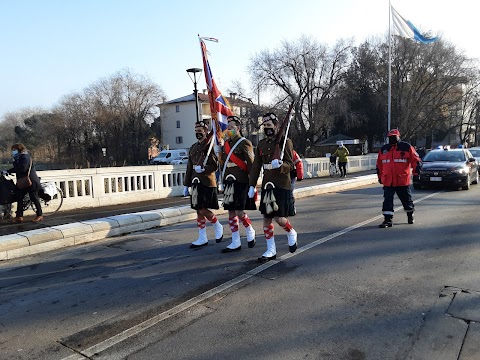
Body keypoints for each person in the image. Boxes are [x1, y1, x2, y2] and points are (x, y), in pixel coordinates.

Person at [248, 112, 298, 263]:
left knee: (280, 219)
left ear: (276, 126)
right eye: (265, 126)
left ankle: (291, 232)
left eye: (269, 125)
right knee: (266, 218)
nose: (267, 129)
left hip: (281, 184)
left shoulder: (285, 142)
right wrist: (252, 185)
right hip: (268, 185)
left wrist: (281, 165)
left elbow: (290, 164)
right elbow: (256, 166)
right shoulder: (262, 144)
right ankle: (271, 250)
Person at [216, 116, 256, 253]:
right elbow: (222, 164)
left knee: (239, 211)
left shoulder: (244, 143)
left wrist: (253, 185)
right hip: (229, 180)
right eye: (228, 128)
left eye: (232, 128)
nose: (229, 130)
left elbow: (252, 165)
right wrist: (219, 151)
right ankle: (235, 241)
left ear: (238, 128)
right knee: (231, 212)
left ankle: (249, 229)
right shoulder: (226, 144)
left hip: (241, 180)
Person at [184, 121, 224, 248]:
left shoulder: (210, 146)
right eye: (196, 131)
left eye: (200, 131)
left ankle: (217, 224)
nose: (198, 133)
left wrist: (205, 169)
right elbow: (189, 167)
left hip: (207, 181)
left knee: (202, 208)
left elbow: (215, 165)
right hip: (196, 181)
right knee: (198, 210)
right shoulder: (193, 147)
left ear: (206, 131)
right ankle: (202, 237)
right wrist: (186, 184)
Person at [376, 129, 420, 228]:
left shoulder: (406, 147)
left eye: (394, 137)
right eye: (390, 137)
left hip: (402, 180)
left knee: (406, 199)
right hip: (388, 180)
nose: (392, 139)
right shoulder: (384, 149)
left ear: (398, 137)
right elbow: (379, 165)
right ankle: (387, 220)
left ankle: (410, 215)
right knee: (387, 200)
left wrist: (416, 173)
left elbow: (416, 161)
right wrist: (380, 176)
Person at [6, 143, 43, 223]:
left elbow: (22, 168)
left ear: (19, 150)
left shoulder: (25, 157)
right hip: (23, 182)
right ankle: (19, 216)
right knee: (19, 197)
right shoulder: (18, 158)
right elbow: (18, 168)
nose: (13, 152)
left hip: (31, 181)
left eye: (14, 150)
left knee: (34, 198)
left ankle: (39, 215)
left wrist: (10, 169)